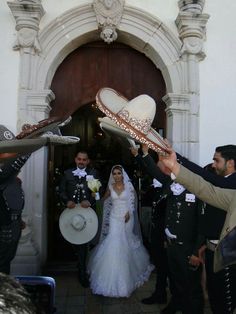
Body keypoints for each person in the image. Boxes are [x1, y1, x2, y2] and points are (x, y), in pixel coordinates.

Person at [157, 146, 236, 314]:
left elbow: (209, 182)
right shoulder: (227, 191)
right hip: (214, 251)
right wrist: (176, 163)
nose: (214, 165)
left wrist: (179, 161)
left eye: (217, 161)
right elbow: (205, 188)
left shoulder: (231, 183)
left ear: (231, 163)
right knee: (216, 300)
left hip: (230, 258)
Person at [133, 145, 204, 314]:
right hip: (172, 246)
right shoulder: (170, 183)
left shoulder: (197, 188)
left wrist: (196, 252)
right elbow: (154, 170)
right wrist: (144, 153)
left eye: (171, 165)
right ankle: (179, 305)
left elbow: (202, 225)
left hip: (188, 248)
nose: (167, 168)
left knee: (192, 286)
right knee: (177, 281)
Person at [87, 165, 154, 297]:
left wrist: (129, 212)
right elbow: (102, 200)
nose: (117, 175)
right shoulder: (110, 187)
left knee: (126, 242)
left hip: (127, 218)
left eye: (119, 173)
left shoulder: (129, 186)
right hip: (114, 218)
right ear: (112, 175)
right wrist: (94, 193)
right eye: (115, 173)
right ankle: (112, 277)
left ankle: (129, 273)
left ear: (123, 175)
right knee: (114, 241)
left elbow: (133, 200)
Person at [130, 147, 170, 305]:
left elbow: (151, 168)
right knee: (160, 264)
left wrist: (144, 154)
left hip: (166, 234)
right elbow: (150, 169)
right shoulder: (160, 182)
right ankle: (160, 293)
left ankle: (168, 296)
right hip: (157, 231)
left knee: (166, 266)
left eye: (161, 160)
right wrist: (137, 155)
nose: (158, 162)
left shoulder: (171, 182)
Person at [59, 150, 100, 288]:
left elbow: (96, 193)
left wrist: (90, 201)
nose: (81, 161)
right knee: (71, 239)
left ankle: (82, 272)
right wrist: (66, 201)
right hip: (70, 213)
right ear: (75, 159)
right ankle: (79, 262)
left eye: (84, 159)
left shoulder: (93, 173)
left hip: (85, 215)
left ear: (87, 161)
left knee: (83, 244)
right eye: (79, 159)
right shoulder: (67, 173)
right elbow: (61, 191)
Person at [0, 125, 31, 275]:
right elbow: (14, 162)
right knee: (3, 263)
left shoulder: (13, 180)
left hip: (13, 223)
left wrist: (18, 221)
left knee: (6, 261)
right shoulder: (4, 174)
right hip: (5, 225)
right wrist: (30, 141)